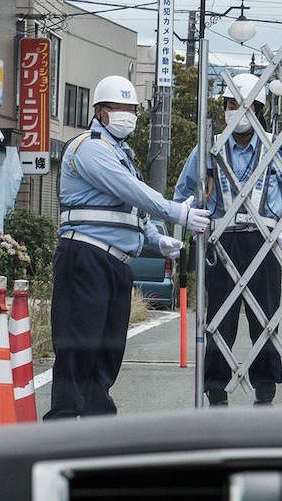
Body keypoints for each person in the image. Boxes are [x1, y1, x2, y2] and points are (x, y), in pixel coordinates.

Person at [45, 75, 210, 419]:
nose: (127, 115)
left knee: (108, 348)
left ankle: (96, 421)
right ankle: (61, 426)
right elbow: (130, 191)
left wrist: (156, 238)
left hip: (115, 262)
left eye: (132, 109)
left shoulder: (122, 153)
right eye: (119, 108)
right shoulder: (90, 148)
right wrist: (177, 212)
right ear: (100, 112)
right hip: (86, 256)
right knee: (79, 344)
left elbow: (131, 208)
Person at [174, 73, 282, 407]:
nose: (236, 110)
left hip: (263, 241)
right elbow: (183, 192)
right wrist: (191, 221)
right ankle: (215, 388)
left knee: (264, 318)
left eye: (244, 104)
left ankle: (265, 388)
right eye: (230, 104)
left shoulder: (278, 147)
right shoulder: (208, 147)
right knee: (220, 318)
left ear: (259, 108)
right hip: (221, 241)